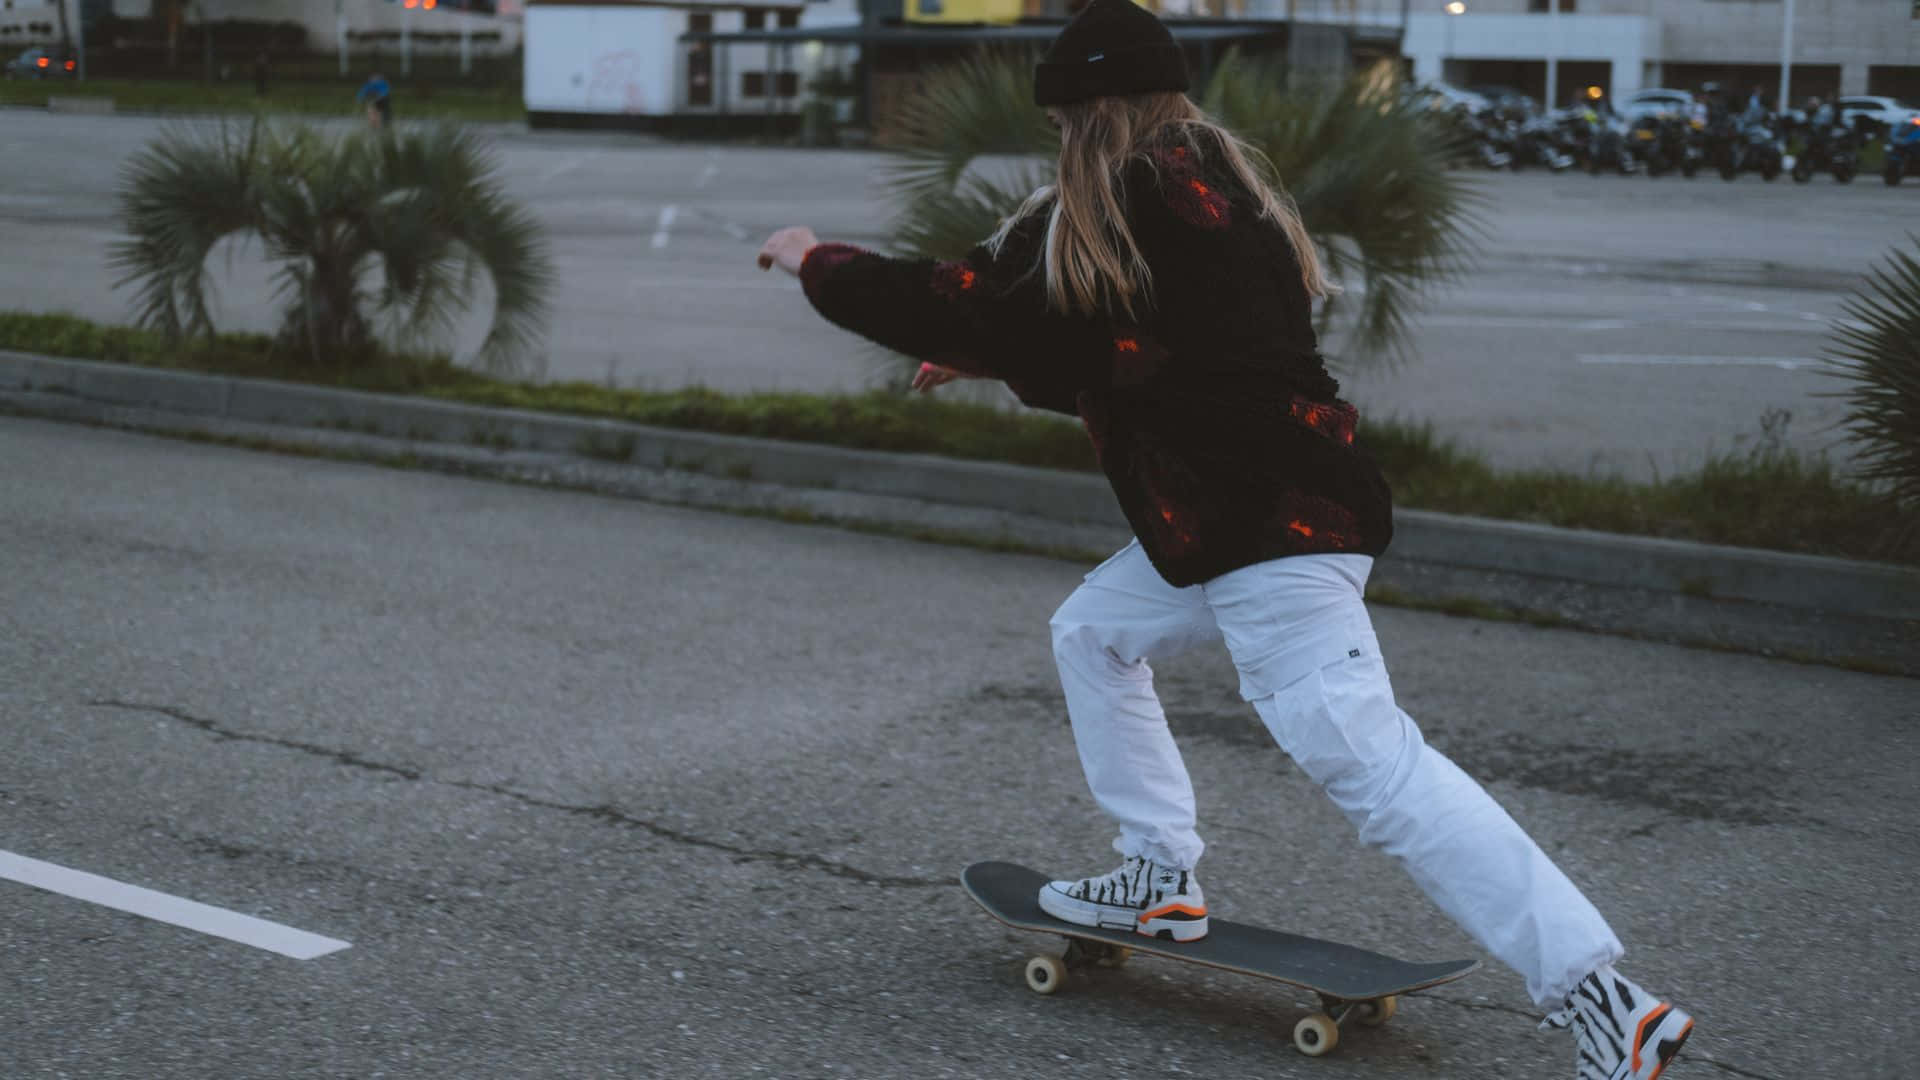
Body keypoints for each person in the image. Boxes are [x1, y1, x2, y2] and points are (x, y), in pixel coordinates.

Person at [756, 2, 1694, 1076]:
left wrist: (816, 263)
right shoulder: (1210, 188)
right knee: (1094, 633)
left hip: (1270, 537)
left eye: (1063, 124)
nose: (1059, 146)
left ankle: (1602, 998)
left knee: (1379, 776)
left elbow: (961, 299)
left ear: (1089, 115)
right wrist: (992, 362)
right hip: (1244, 519)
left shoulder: (1131, 196)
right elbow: (1148, 364)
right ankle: (1157, 876)